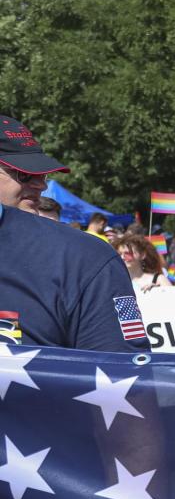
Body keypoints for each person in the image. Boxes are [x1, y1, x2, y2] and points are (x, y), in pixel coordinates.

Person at [0, 114, 149, 351]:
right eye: (24, 174)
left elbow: (125, 377)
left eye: (42, 174)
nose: (42, 185)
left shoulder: (87, 257)